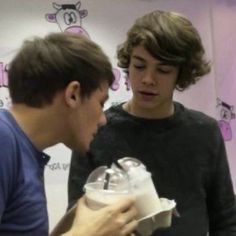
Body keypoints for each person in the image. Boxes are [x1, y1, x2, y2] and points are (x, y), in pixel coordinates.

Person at [68, 10, 236, 236]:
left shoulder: (205, 131)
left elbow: (225, 220)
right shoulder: (96, 130)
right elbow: (77, 219)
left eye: (163, 70)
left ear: (181, 73)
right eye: (139, 66)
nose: (148, 79)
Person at [0, 32, 138, 236]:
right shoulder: (3, 140)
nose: (103, 119)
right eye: (100, 103)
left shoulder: (23, 150)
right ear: (73, 94)